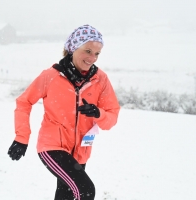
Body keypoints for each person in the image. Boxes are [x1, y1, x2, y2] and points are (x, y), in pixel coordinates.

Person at [7, 24, 120, 200]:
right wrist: (21, 137)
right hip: (52, 147)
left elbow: (112, 116)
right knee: (85, 190)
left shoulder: (100, 79)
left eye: (97, 53)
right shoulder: (51, 76)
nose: (92, 58)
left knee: (66, 196)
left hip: (81, 151)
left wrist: (99, 114)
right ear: (73, 48)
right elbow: (24, 102)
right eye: (88, 51)